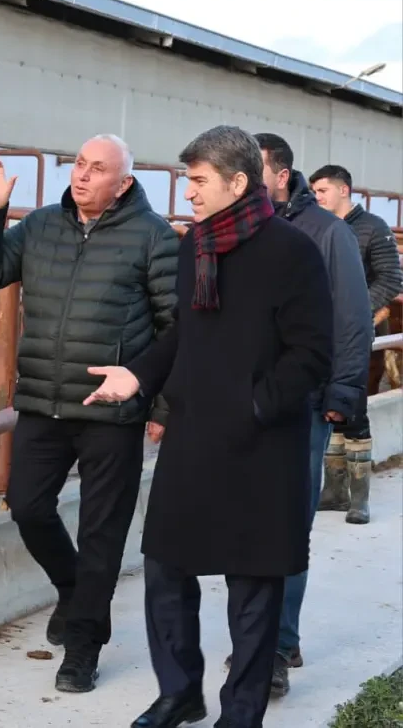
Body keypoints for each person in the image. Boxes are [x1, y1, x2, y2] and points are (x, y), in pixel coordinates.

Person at [85, 125, 332, 728]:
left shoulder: (292, 251)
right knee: (166, 567)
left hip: (261, 444)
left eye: (198, 180)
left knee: (254, 583)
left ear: (238, 182)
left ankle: (241, 713)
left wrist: (253, 407)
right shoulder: (197, 243)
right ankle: (179, 693)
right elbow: (186, 333)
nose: (188, 191)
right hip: (194, 436)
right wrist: (139, 375)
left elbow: (311, 354)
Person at [0, 133, 178, 694]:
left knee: (102, 532)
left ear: (123, 183)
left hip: (113, 409)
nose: (82, 175)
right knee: (28, 506)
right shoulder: (40, 226)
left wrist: (161, 404)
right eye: (79, 164)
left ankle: (83, 648)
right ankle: (73, 588)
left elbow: (175, 327)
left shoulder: (153, 237)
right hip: (43, 401)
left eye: (97, 169)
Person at [250, 133, 372, 692]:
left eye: (251, 168)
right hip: (246, 401)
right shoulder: (238, 227)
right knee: (248, 522)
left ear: (280, 175)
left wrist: (343, 393)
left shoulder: (326, 232)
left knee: (287, 523)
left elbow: (351, 316)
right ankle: (263, 637)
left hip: (304, 402)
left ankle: (276, 646)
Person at [309, 163, 403, 524]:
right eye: (314, 191)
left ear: (343, 190)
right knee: (325, 404)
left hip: (356, 332)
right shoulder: (319, 228)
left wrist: (357, 310)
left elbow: (390, 279)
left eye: (322, 191)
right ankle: (333, 490)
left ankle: (359, 497)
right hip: (321, 332)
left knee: (355, 408)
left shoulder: (373, 228)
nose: (316, 197)